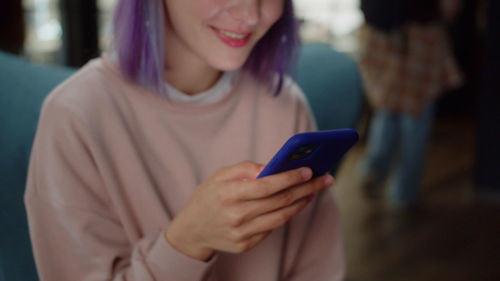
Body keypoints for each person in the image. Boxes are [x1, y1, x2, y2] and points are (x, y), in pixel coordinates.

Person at [24, 0, 345, 280]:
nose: (249, 13)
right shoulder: (74, 117)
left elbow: (319, 270)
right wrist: (188, 241)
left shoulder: (286, 105)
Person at [358, 0, 463, 207]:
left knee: (386, 112)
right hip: (421, 44)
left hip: (384, 41)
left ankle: (374, 170)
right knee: (415, 121)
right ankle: (403, 191)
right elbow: (449, 9)